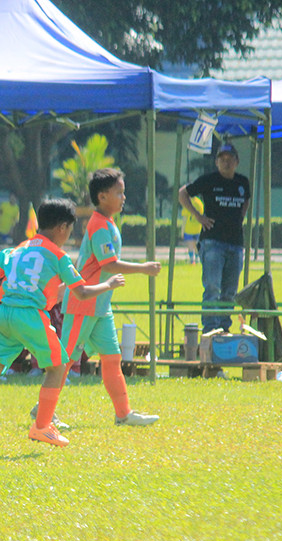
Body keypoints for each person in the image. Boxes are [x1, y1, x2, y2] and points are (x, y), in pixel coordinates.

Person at [0, 199, 125, 446]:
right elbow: (82, 293)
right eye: (69, 230)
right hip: (30, 315)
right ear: (62, 228)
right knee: (57, 367)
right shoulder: (58, 256)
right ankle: (42, 427)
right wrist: (109, 284)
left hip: (3, 315)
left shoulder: (16, 250)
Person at [61, 168, 161, 427]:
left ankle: (123, 414)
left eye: (123, 192)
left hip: (100, 305)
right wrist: (144, 268)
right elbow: (110, 263)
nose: (123, 197)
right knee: (66, 358)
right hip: (84, 302)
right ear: (103, 197)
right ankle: (43, 412)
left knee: (112, 357)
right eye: (119, 192)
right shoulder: (98, 225)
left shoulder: (108, 223)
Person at [178, 144, 251, 333]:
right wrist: (198, 216)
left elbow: (247, 200)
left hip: (235, 243)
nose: (226, 163)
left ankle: (225, 328)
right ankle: (210, 329)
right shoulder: (209, 180)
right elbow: (182, 193)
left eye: (230, 159)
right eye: (222, 159)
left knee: (230, 291)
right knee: (212, 288)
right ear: (217, 162)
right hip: (212, 242)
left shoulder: (243, 182)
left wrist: (241, 217)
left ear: (236, 162)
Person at [181, 195, 204, 264]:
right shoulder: (200, 203)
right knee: (197, 245)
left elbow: (184, 218)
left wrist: (182, 231)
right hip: (198, 228)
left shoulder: (187, 202)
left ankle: (192, 260)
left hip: (189, 229)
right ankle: (198, 260)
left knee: (190, 246)